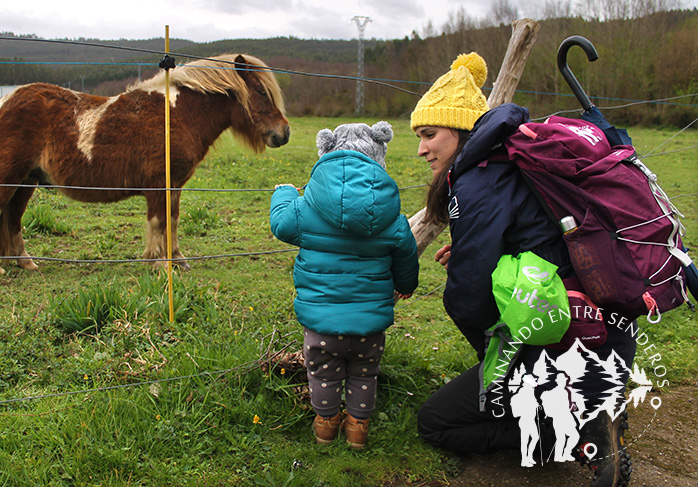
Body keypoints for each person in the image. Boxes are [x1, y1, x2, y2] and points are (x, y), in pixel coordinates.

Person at [410, 53, 636, 487]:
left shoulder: (476, 181)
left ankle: (576, 434)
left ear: (460, 130)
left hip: (562, 341)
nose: (421, 148)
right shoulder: (512, 163)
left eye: (429, 134)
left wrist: (494, 361)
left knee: (436, 422)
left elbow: (469, 295)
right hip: (605, 332)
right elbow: (534, 240)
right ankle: (592, 401)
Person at [270, 121, 419, 449]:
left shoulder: (307, 207)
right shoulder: (390, 214)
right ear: (380, 156)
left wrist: (283, 192)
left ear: (325, 151)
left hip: (321, 324)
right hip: (370, 325)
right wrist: (406, 284)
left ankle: (325, 425)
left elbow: (281, 224)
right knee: (365, 373)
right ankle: (357, 430)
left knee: (323, 373)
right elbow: (407, 252)